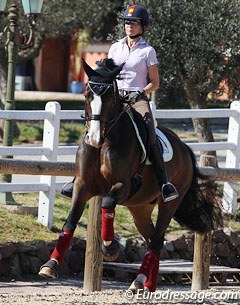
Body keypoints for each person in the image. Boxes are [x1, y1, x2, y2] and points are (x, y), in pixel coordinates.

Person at [61, 4, 178, 202]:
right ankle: (78, 178)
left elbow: (155, 82)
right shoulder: (115, 47)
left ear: (143, 26)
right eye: (127, 22)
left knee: (150, 133)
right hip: (114, 97)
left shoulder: (148, 51)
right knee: (95, 128)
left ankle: (164, 183)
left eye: (134, 22)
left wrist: (141, 92)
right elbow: (107, 72)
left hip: (137, 99)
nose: (129, 26)